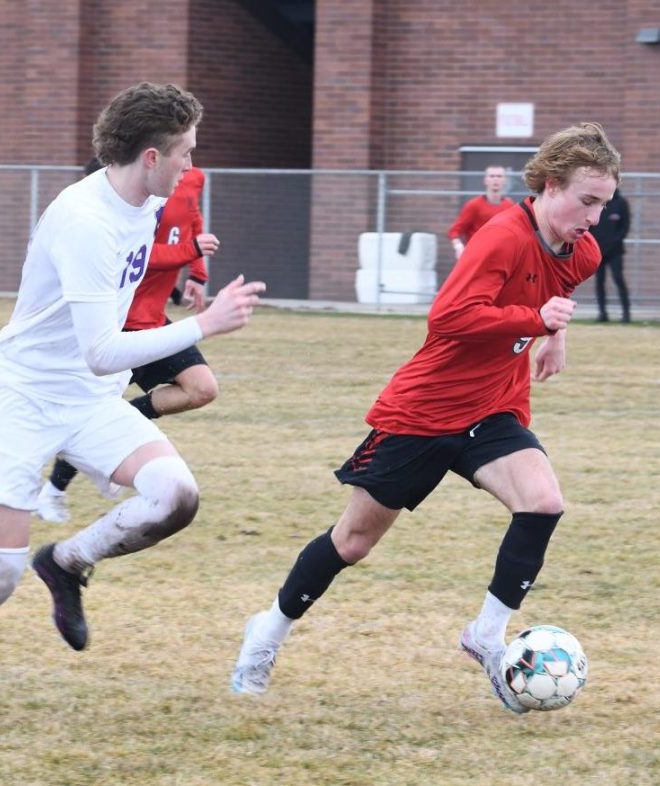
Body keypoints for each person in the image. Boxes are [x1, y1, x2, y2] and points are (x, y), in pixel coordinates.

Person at [231, 123, 621, 714]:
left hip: (493, 408)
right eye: (586, 201)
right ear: (547, 186)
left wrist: (555, 336)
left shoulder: (581, 250)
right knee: (354, 542)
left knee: (543, 502)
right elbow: (448, 319)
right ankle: (268, 631)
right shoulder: (501, 238)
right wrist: (536, 322)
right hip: (425, 412)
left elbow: (553, 295)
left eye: (603, 205)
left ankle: (486, 634)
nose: (593, 217)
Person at [0, 83, 265, 695]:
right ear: (151, 156)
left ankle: (65, 563)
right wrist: (206, 325)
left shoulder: (141, 203)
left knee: (175, 496)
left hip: (88, 402)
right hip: (25, 399)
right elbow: (99, 352)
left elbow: (118, 303)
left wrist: (180, 291)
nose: (191, 166)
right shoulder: (84, 219)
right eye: (186, 153)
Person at [36, 165, 221, 523]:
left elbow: (192, 225)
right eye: (182, 149)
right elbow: (139, 256)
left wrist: (197, 272)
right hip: (121, 322)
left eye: (190, 149)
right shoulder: (139, 194)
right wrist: (189, 251)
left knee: (202, 389)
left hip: (153, 320)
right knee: (89, 413)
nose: (186, 160)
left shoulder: (192, 178)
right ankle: (51, 492)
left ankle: (123, 425)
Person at [448, 165, 514, 259]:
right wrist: (458, 247)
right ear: (485, 180)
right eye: (492, 176)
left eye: (499, 176)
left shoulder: (510, 206)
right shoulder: (474, 205)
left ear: (505, 180)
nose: (495, 179)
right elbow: (455, 230)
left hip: (500, 257)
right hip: (476, 256)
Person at [590, 188, 631, 322]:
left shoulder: (621, 203)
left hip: (615, 251)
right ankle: (602, 313)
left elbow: (625, 226)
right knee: (599, 282)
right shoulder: (595, 203)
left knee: (618, 279)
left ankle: (626, 314)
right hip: (598, 251)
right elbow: (590, 226)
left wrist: (613, 242)